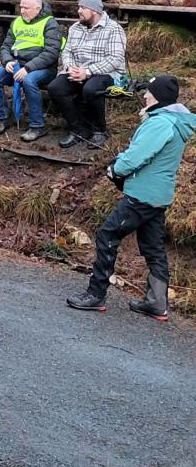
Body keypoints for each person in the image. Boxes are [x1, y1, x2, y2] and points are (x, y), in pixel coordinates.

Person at [67, 76, 194, 320]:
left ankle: (95, 295)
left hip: (142, 195)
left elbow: (138, 156)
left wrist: (116, 169)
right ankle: (157, 302)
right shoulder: (175, 122)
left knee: (108, 234)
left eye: (149, 93)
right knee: (153, 248)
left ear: (159, 98)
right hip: (159, 195)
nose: (145, 96)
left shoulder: (161, 123)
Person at [49, 0, 128, 149]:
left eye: (83, 7)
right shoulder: (75, 28)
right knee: (55, 88)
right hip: (78, 71)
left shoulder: (113, 29)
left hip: (108, 73)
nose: (79, 11)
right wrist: (70, 68)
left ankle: (100, 131)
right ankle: (79, 129)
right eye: (79, 7)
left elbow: (115, 58)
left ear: (94, 11)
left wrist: (88, 71)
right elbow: (67, 52)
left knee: (91, 88)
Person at [0, 0, 61, 142]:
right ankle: (2, 119)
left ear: (37, 8)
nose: (22, 11)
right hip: (17, 65)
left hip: (42, 68)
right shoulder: (17, 22)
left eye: (26, 8)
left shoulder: (49, 23)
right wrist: (7, 61)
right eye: (20, 7)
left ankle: (37, 126)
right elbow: (5, 46)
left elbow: (51, 52)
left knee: (29, 81)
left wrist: (28, 68)